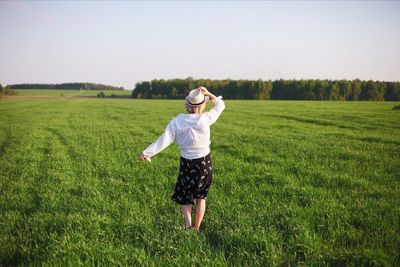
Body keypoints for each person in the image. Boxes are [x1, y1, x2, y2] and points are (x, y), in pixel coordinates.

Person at [138, 86, 225, 231]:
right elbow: (220, 105)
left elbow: (164, 140)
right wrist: (209, 93)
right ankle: (197, 228)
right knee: (201, 197)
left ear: (187, 105)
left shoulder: (177, 121)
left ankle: (187, 225)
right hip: (204, 162)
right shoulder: (205, 118)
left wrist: (147, 152)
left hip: (187, 163)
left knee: (185, 194)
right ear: (203, 105)